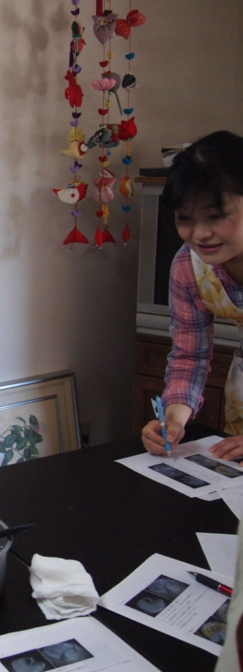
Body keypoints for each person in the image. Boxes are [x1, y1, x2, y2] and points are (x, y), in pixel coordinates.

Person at [141, 131, 243, 461]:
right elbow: (190, 356)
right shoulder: (189, 266)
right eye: (185, 219)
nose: (199, 234)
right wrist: (173, 420)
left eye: (215, 216)